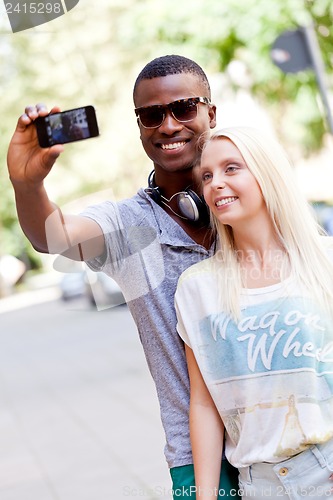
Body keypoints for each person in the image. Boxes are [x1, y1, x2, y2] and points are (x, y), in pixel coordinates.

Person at [7, 55, 240, 499]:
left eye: (184, 108)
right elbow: (52, 237)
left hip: (284, 436)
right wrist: (27, 185)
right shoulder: (126, 225)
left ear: (211, 112)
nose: (168, 125)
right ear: (139, 127)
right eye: (151, 115)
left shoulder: (250, 199)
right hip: (196, 456)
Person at [175, 126, 333, 499]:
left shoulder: (326, 261)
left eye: (232, 168)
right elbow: (204, 401)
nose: (216, 184)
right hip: (258, 484)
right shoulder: (197, 288)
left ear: (267, 173)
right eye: (208, 175)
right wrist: (206, 496)